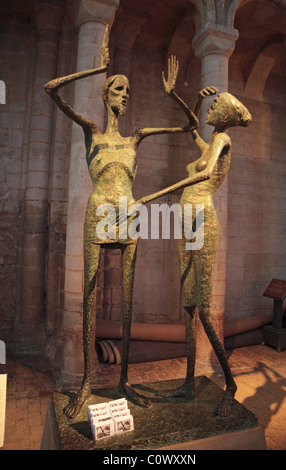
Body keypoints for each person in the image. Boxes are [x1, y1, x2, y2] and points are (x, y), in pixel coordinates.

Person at [44, 26, 198, 418]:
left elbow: (190, 127)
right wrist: (97, 67)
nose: (124, 96)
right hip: (98, 213)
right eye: (117, 89)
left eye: (127, 91)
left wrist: (173, 94)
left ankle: (124, 381)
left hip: (128, 215)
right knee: (90, 292)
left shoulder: (136, 139)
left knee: (127, 301)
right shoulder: (92, 132)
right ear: (104, 94)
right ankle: (84, 383)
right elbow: (51, 89)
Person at [153, 87, 252, 417]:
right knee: (187, 306)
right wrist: (180, 96)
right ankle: (189, 380)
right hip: (186, 221)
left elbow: (208, 174)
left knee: (205, 310)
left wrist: (159, 193)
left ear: (224, 115)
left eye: (214, 107)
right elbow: (191, 126)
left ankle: (231, 384)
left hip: (202, 221)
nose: (209, 112)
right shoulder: (210, 144)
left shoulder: (223, 141)